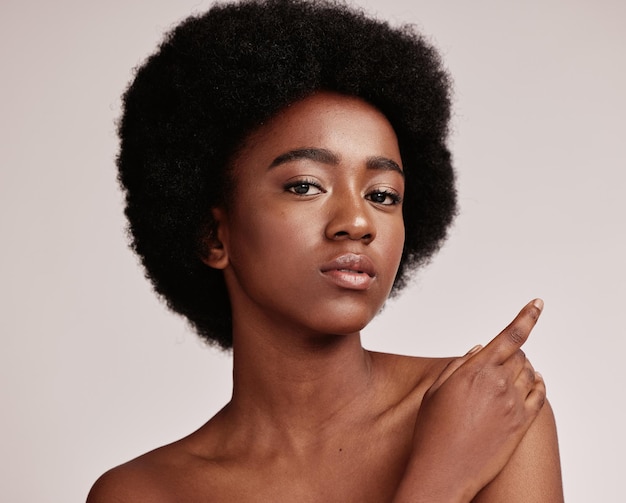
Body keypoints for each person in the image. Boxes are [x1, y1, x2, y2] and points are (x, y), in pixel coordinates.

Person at [87, 0, 563, 501]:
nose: (357, 222)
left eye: (382, 195)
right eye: (306, 186)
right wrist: (442, 477)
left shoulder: (490, 406)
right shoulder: (144, 492)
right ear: (213, 236)